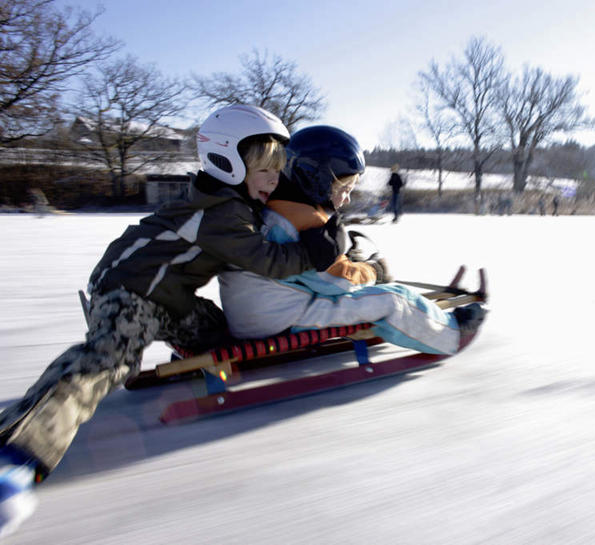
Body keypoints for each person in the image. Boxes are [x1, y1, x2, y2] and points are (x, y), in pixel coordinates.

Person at [0, 104, 345, 537]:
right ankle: (17, 458)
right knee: (107, 364)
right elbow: (271, 262)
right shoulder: (220, 212)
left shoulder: (228, 200)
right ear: (228, 162)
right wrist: (320, 248)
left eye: (278, 173)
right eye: (266, 172)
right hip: (131, 293)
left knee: (222, 336)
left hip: (170, 297)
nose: (274, 182)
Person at [220, 126, 486, 356]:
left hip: (249, 315)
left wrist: (351, 263)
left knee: (368, 294)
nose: (346, 199)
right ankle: (450, 334)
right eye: (343, 190)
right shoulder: (304, 224)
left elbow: (309, 275)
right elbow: (338, 284)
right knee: (392, 300)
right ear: (317, 180)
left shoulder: (276, 210)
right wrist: (373, 271)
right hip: (277, 321)